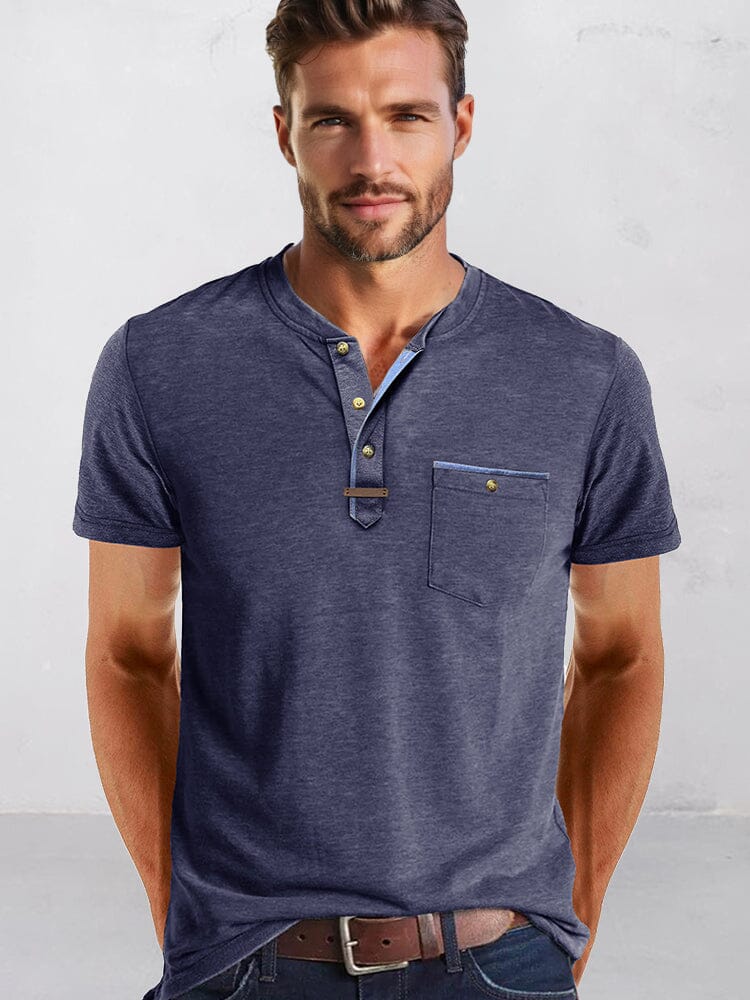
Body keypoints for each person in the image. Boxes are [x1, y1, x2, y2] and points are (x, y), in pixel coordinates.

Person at [72, 2, 682, 998]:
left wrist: (565, 920)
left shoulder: (584, 375)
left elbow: (624, 655)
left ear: (461, 124)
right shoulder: (160, 364)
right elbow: (126, 653)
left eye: (406, 116)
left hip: (500, 960)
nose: (372, 161)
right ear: (285, 133)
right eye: (333, 120)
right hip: (243, 965)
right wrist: (181, 917)